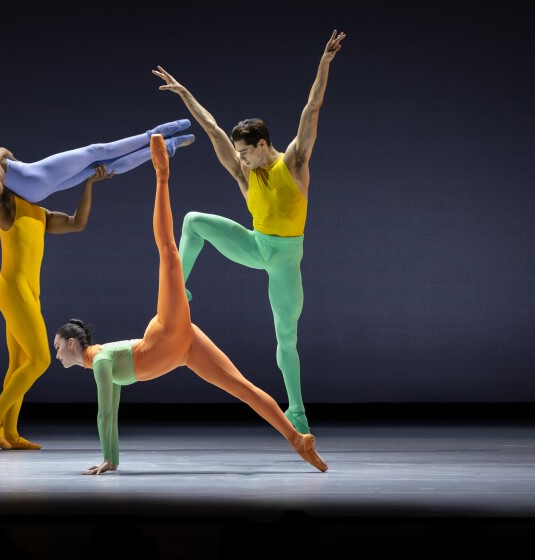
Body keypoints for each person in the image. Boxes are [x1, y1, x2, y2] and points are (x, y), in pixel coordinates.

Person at [53, 134, 328, 475]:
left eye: (58, 349)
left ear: (71, 343)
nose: (58, 356)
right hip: (184, 349)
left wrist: (109, 460)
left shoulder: (100, 361)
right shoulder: (102, 360)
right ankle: (298, 439)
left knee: (168, 250)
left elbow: (106, 413)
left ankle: (162, 172)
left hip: (167, 333)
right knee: (244, 389)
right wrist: (113, 459)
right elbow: (112, 409)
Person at [151, 30, 347, 435]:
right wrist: (185, 93)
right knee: (192, 222)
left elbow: (312, 110)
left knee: (286, 336)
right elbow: (212, 130)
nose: (239, 159)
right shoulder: (245, 171)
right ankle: (179, 290)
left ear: (262, 144)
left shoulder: (292, 163)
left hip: (286, 261)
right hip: (256, 245)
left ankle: (296, 410)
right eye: (238, 154)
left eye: (245, 152)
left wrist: (324, 64)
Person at [0, 143, 126, 450]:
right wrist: (1, 152)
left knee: (18, 363)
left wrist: (89, 184)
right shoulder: (8, 204)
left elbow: (77, 223)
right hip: (12, 287)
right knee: (41, 359)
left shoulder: (39, 213)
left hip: (28, 291)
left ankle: (12, 433)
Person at [0, 120, 195, 226]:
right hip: (31, 176)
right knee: (95, 151)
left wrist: (12, 223)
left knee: (101, 169)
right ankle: (155, 134)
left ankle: (166, 147)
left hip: (33, 191)